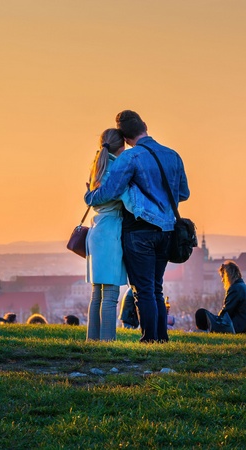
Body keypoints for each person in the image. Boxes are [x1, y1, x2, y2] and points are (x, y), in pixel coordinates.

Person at [85, 110, 190, 343]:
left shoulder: (129, 158)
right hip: (167, 230)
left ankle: (150, 339)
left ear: (125, 137)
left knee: (143, 289)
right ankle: (161, 338)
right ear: (145, 125)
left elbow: (110, 192)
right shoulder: (173, 155)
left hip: (139, 231)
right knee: (156, 288)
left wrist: (89, 196)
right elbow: (183, 193)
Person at [85, 129, 128, 341]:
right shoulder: (116, 168)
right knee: (110, 296)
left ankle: (92, 341)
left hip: (95, 231)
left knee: (96, 295)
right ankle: (107, 343)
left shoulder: (97, 166)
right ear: (122, 146)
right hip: (111, 232)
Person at [195, 261, 246, 334]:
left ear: (227, 275)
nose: (222, 281)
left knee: (201, 313)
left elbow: (226, 313)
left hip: (236, 329)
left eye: (222, 277)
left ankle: (203, 333)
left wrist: (216, 321)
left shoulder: (235, 288)